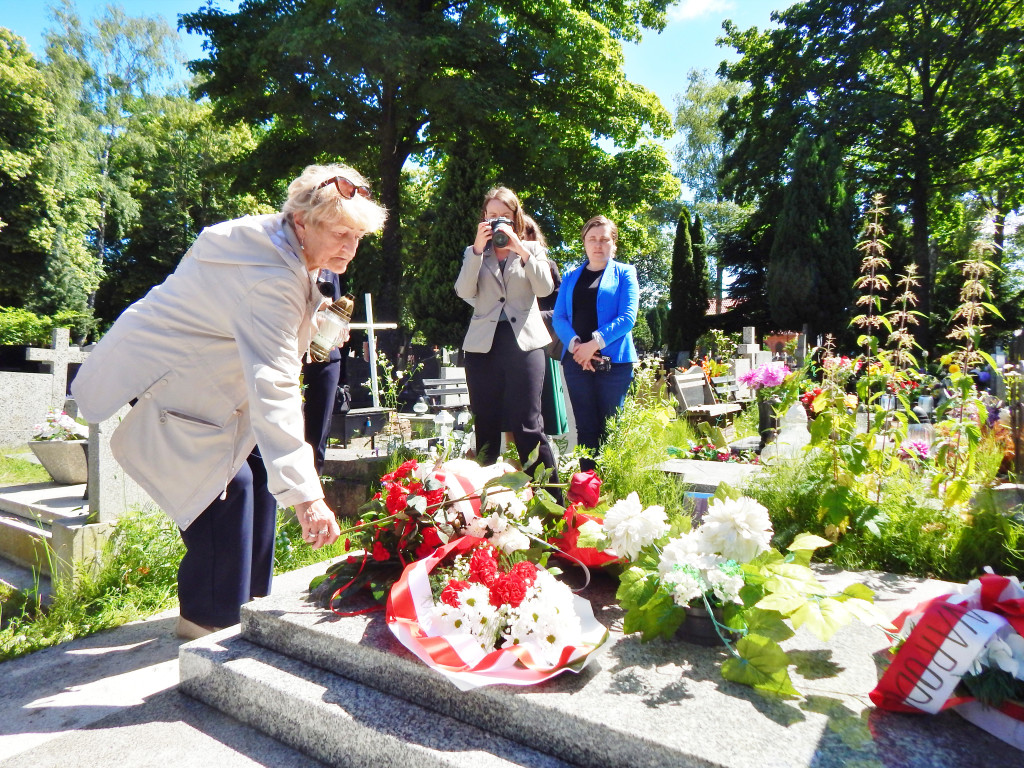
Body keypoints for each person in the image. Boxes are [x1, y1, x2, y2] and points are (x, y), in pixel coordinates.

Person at [71, 164, 388, 639]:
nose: (350, 247)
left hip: (211, 374)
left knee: (259, 473)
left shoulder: (281, 243)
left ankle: (248, 609)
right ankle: (205, 629)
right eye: (341, 232)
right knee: (226, 488)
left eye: (358, 236)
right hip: (175, 378)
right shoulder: (269, 276)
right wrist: (307, 497)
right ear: (302, 221)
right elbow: (275, 384)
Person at [454, 187, 559, 486]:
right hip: (482, 347)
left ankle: (552, 502)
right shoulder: (474, 252)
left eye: (504, 216)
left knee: (527, 425)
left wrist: (521, 250)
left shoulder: (532, 250)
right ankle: (482, 509)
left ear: (516, 219)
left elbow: (544, 290)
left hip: (523, 343)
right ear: (483, 219)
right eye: (492, 216)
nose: (498, 221)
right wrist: (476, 250)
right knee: (485, 425)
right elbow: (464, 292)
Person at [552, 215, 638, 470]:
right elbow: (559, 318)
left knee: (611, 427)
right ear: (585, 243)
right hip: (577, 362)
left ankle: (613, 488)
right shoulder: (570, 277)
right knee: (586, 429)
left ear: (614, 244)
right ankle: (588, 489)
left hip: (614, 364)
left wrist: (594, 344)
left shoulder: (625, 273)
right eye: (592, 239)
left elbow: (627, 317)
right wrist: (578, 347)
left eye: (604, 239)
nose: (598, 244)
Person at [524, 215, 569, 438]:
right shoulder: (497, 266)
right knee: (511, 416)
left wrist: (529, 318)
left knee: (542, 415)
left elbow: (559, 311)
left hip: (539, 345)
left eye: (527, 232)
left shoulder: (548, 267)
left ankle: (543, 466)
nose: (521, 236)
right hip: (507, 346)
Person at [303, 269, 347, 474]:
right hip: (292, 352)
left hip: (326, 356)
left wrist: (341, 326)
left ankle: (313, 488)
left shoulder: (332, 267)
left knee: (317, 438)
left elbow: (337, 307)